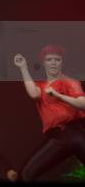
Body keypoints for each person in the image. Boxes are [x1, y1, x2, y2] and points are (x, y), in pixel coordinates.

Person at [14, 45, 85, 181]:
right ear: (44, 63)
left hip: (76, 132)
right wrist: (23, 68)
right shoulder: (41, 86)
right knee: (25, 175)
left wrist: (59, 96)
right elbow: (33, 94)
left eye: (57, 60)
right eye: (49, 59)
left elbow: (83, 104)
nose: (53, 62)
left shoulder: (69, 81)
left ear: (62, 63)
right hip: (58, 137)